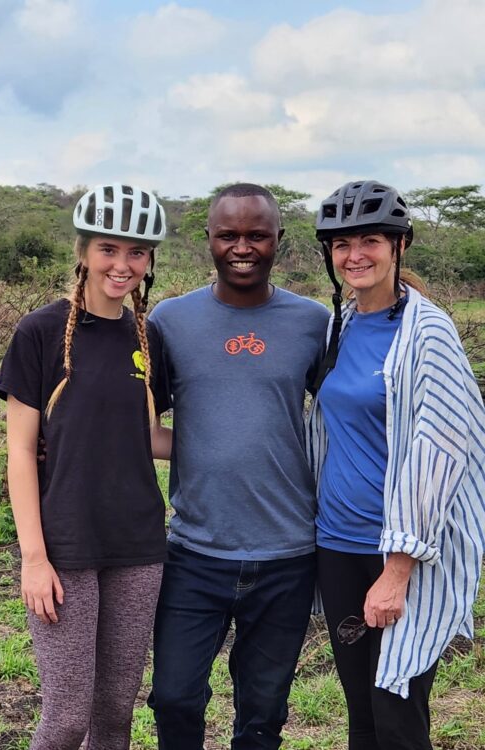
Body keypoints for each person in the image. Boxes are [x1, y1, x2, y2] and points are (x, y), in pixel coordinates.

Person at [146, 183, 330, 749]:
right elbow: (136, 420)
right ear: (208, 239)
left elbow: (340, 418)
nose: (242, 246)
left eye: (257, 234)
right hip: (195, 549)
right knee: (174, 696)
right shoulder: (169, 321)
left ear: (280, 240)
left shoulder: (315, 322)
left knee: (264, 707)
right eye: (229, 235)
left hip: (288, 553)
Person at [0, 182, 172, 749]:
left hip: (139, 547)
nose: (122, 266)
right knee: (68, 717)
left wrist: (237, 445)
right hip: (65, 547)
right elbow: (21, 450)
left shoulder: (150, 338)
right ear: (82, 252)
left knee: (116, 714)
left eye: (136, 253)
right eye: (108, 250)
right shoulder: (40, 332)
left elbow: (142, 437)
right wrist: (33, 559)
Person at [308, 180, 485, 750]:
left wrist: (398, 569)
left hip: (399, 554)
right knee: (361, 710)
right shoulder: (340, 325)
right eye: (342, 244)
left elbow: (442, 446)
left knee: (399, 715)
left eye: (370, 240)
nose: (355, 255)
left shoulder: (427, 332)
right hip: (337, 545)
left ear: (399, 246)